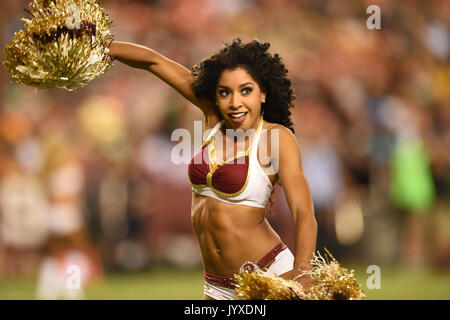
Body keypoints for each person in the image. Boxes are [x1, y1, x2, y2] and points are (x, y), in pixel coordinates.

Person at [108, 38, 317, 300]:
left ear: (263, 93)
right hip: (216, 287)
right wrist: (102, 46)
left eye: (246, 91)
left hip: (268, 276)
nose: (235, 103)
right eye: (224, 92)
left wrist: (303, 270)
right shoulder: (212, 119)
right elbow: (154, 62)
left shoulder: (277, 138)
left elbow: (304, 212)